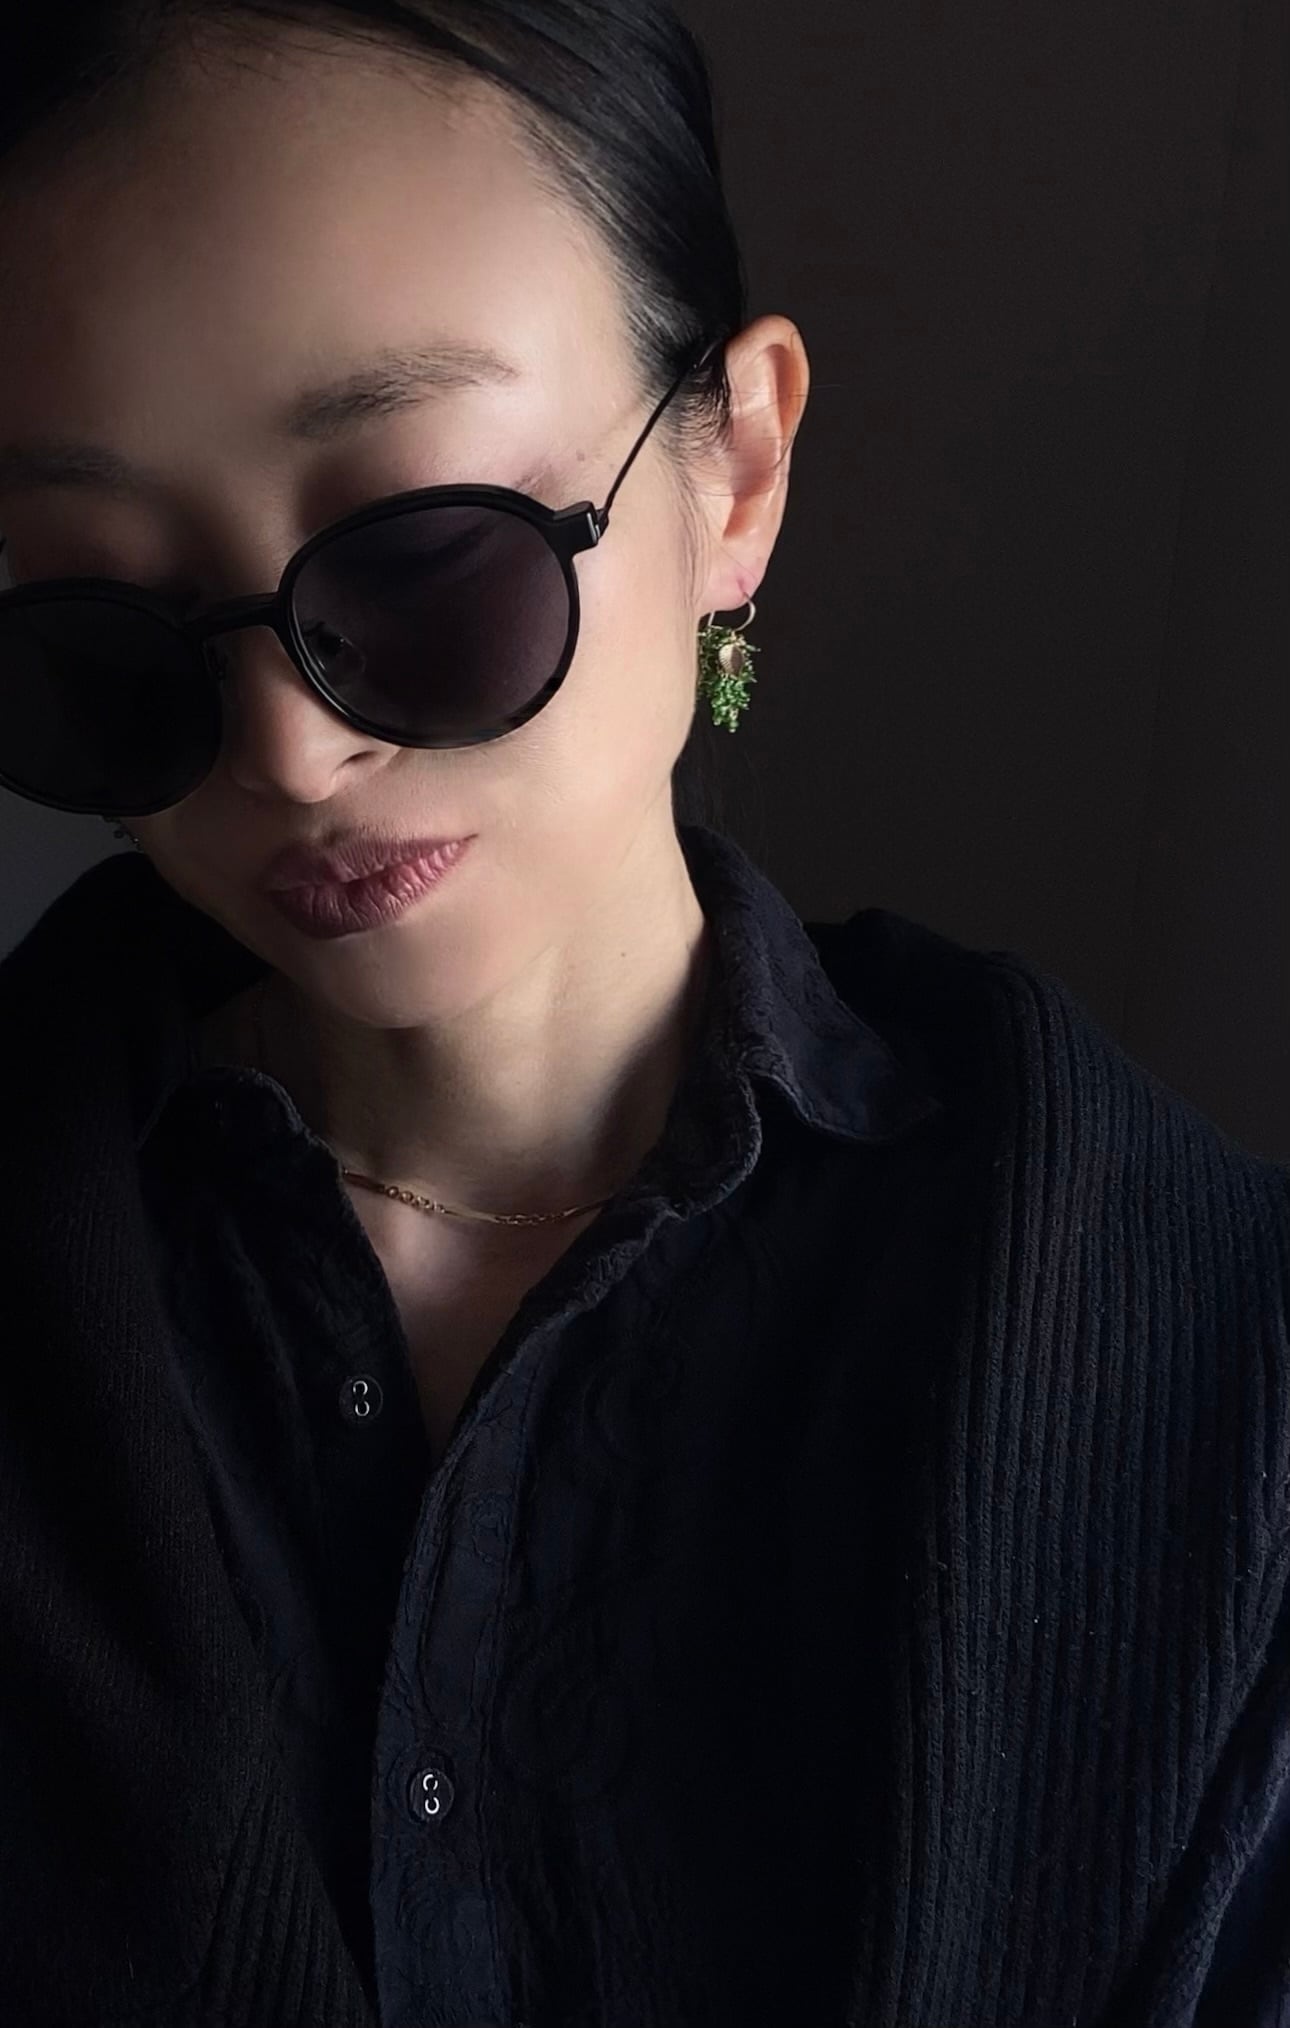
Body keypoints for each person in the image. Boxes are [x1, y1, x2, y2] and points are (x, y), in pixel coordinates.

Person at [0, 5, 1287, 2025]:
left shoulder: (1211, 1369)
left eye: (431, 559)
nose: (289, 753)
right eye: (104, 627)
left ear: (737, 472)